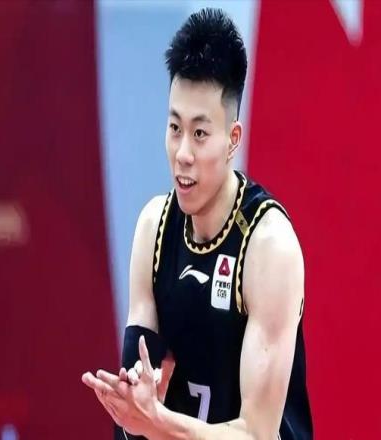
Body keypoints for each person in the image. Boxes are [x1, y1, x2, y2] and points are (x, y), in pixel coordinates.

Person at [83, 8, 312, 439]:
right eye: (174, 128)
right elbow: (137, 412)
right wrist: (133, 412)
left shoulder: (268, 247)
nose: (183, 153)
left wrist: (157, 421)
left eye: (200, 134)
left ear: (233, 140)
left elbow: (257, 434)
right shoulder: (154, 229)